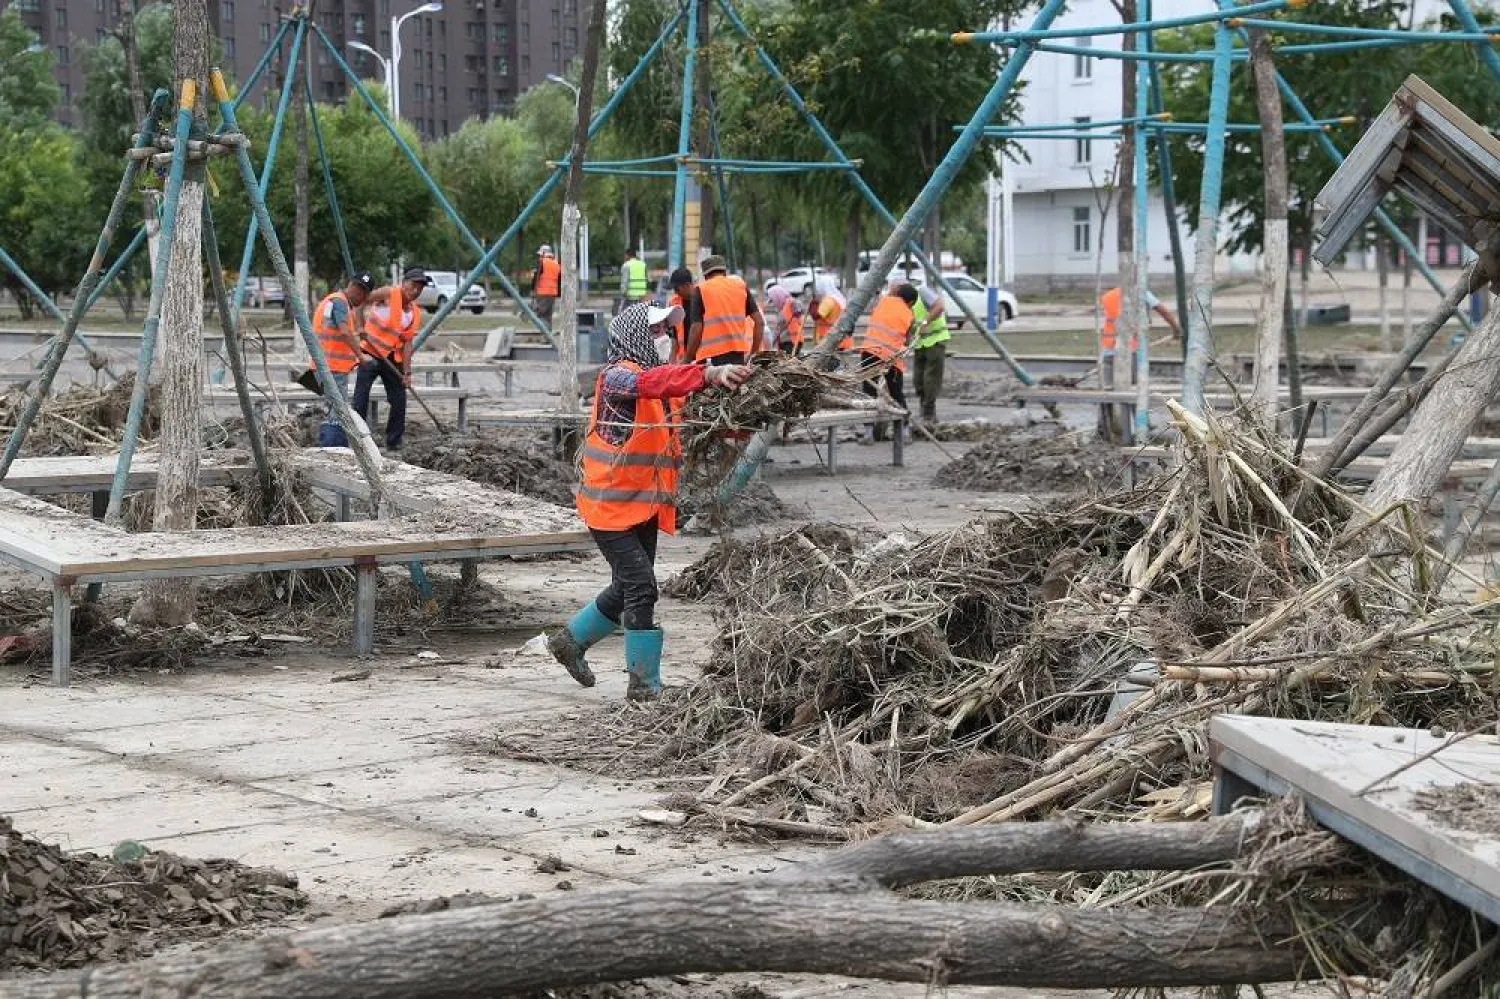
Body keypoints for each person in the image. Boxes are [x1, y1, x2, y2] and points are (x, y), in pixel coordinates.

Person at [548, 302, 753, 700]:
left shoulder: (664, 387)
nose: (665, 339)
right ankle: (644, 687)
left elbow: (689, 420)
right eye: (657, 331)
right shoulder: (618, 378)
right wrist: (708, 373)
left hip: (641, 505)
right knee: (642, 587)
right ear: (636, 336)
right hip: (609, 509)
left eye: (666, 331)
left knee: (627, 586)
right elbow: (651, 383)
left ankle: (569, 643)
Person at [355, 267, 430, 452]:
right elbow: (360, 302)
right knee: (361, 397)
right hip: (370, 352)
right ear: (404, 282)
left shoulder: (414, 313)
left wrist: (407, 372)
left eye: (420, 289)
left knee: (399, 399)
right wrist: (360, 327)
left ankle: (394, 441)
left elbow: (407, 344)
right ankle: (358, 439)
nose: (415, 291)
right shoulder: (388, 293)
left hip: (391, 359)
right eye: (413, 286)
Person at [309, 271, 374, 447]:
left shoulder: (334, 301)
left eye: (363, 292)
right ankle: (334, 451)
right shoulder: (339, 302)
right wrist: (361, 356)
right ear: (352, 286)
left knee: (335, 410)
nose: (360, 295)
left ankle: (334, 448)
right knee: (338, 413)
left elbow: (340, 332)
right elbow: (344, 331)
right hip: (332, 368)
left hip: (324, 366)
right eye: (359, 290)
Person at [858, 283, 917, 441]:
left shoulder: (883, 300)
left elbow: (892, 290)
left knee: (869, 391)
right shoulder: (909, 315)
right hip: (892, 356)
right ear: (910, 302)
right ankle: (905, 431)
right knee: (896, 392)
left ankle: (868, 433)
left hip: (870, 350)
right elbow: (906, 339)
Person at [684, 255, 764, 365]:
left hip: (712, 358)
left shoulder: (701, 290)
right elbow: (760, 322)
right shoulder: (741, 286)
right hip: (738, 355)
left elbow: (696, 329)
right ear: (725, 272)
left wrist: (687, 359)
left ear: (706, 275)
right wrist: (753, 354)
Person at [1098, 286, 1183, 373]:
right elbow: (1163, 311)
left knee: (1110, 384)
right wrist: (1176, 329)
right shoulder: (1141, 293)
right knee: (1132, 383)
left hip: (1109, 348)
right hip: (1131, 350)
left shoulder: (1108, 296)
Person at [911, 284, 949, 424]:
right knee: (918, 379)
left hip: (936, 340)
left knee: (931, 377)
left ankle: (929, 411)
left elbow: (939, 306)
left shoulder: (922, 292)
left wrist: (925, 322)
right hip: (920, 343)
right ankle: (924, 407)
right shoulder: (905, 300)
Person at [809, 275, 850, 352]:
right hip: (839, 339)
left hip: (829, 340)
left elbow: (817, 316)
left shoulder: (828, 300)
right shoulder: (839, 299)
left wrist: (813, 304)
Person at [765, 284, 805, 355]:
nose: (773, 303)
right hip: (787, 341)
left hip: (791, 342)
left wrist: (771, 344)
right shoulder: (782, 307)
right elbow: (779, 327)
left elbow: (800, 308)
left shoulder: (790, 302)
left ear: (778, 296)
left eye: (773, 300)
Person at [667, 267, 696, 361]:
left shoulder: (702, 299)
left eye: (676, 289)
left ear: (687, 285)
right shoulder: (674, 303)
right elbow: (674, 335)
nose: (675, 292)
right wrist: (672, 360)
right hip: (683, 359)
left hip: (701, 357)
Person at [532, 245, 562, 328]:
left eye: (540, 254)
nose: (539, 256)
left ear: (543, 254)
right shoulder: (556, 264)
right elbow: (559, 280)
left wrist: (533, 289)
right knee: (548, 315)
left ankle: (543, 334)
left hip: (542, 292)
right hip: (553, 293)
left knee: (541, 314)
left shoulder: (542, 263)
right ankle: (547, 336)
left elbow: (536, 278)